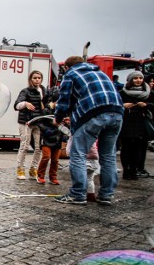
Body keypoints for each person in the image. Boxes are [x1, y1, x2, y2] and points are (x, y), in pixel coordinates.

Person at [53, 56, 123, 206]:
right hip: (117, 114)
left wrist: (58, 118)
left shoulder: (70, 74)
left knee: (78, 154)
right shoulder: (100, 73)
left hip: (94, 114)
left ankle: (78, 194)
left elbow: (64, 101)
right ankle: (106, 195)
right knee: (108, 156)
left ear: (66, 67)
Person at [117, 71, 151, 180]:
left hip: (141, 122)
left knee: (138, 149)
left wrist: (146, 105)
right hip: (126, 121)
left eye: (140, 78)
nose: (138, 80)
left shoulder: (148, 92)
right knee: (126, 147)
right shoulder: (122, 92)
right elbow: (115, 104)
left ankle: (134, 170)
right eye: (135, 78)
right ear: (130, 80)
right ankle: (126, 171)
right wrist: (123, 105)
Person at [14, 70, 46, 180]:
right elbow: (16, 105)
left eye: (39, 78)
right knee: (24, 145)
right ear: (30, 79)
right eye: (35, 78)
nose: (37, 80)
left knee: (39, 147)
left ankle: (33, 169)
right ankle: (20, 168)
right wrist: (25, 103)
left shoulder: (44, 91)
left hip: (39, 122)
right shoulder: (25, 91)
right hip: (26, 122)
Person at [34, 109, 68, 185]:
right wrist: (46, 130)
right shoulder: (46, 111)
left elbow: (65, 125)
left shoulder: (63, 111)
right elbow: (39, 122)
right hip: (47, 139)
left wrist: (66, 127)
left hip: (57, 139)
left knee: (55, 160)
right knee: (46, 157)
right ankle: (40, 176)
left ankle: (53, 177)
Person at [137, 73, 154, 177]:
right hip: (141, 121)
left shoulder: (151, 93)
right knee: (139, 146)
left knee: (143, 146)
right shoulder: (142, 93)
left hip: (148, 120)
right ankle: (138, 167)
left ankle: (140, 167)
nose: (152, 83)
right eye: (150, 81)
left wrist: (147, 105)